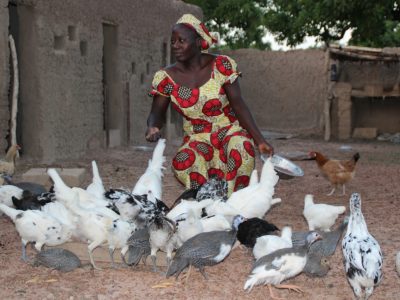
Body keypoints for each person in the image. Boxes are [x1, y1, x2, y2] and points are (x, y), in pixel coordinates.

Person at [145, 14, 274, 196]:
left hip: (229, 131)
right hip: (197, 138)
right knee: (184, 162)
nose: (175, 46)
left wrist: (260, 140)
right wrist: (152, 127)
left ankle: (232, 204)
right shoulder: (166, 78)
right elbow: (156, 113)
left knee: (242, 150)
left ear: (198, 42)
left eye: (182, 41)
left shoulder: (222, 65)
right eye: (173, 41)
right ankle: (205, 202)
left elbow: (238, 105)